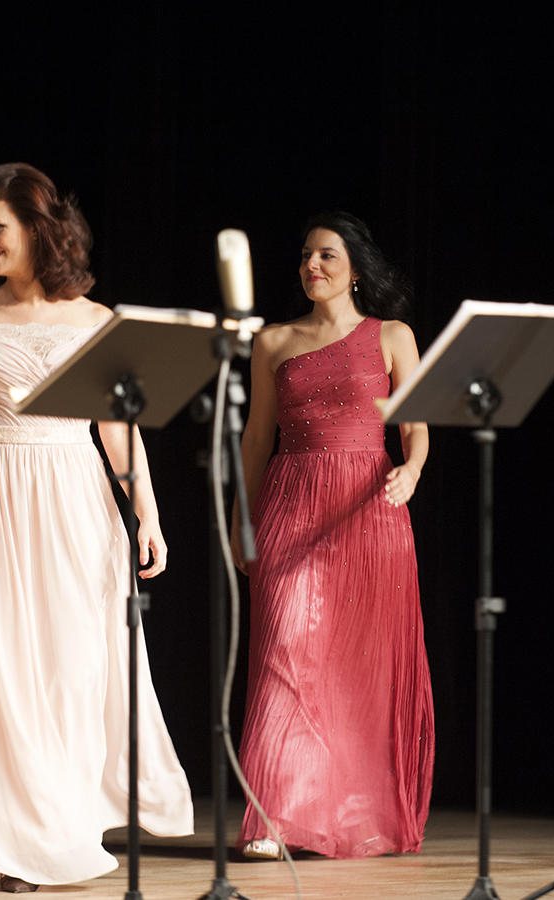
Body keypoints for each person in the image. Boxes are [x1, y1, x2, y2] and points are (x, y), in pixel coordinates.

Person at [0, 162, 193, 892]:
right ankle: (16, 840)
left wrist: (147, 513)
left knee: (70, 668)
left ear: (35, 226)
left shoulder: (95, 321)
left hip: (72, 503)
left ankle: (62, 827)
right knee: (0, 669)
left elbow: (120, 431)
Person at [230, 212, 435, 859]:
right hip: (292, 501)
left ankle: (340, 815)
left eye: (326, 256)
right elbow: (256, 439)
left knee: (352, 668)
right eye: (305, 256)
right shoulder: (273, 341)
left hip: (368, 507)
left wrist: (412, 470)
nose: (311, 265)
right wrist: (240, 520)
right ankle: (274, 817)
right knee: (285, 649)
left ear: (355, 270)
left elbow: (417, 425)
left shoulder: (393, 335)